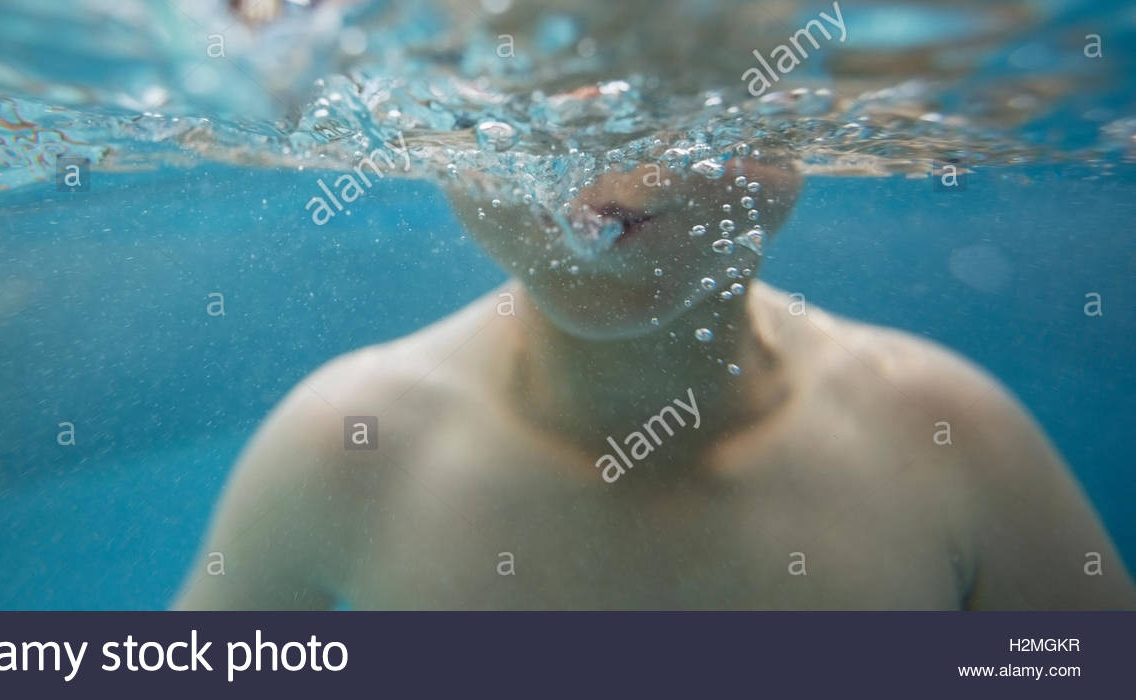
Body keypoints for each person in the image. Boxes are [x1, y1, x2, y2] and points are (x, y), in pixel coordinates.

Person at [173, 155, 1135, 609]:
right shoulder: (347, 446)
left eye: (691, 81)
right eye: (521, 79)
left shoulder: (948, 432)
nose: (602, 187)